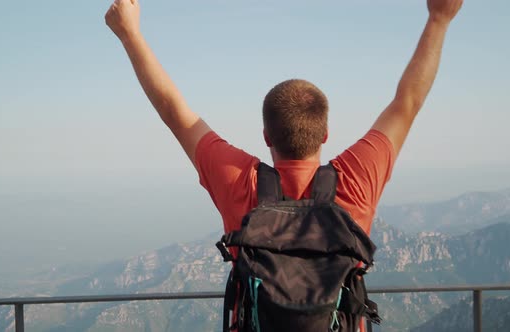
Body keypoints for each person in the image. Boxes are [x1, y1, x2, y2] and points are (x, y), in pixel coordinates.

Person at [105, 0, 463, 330]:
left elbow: (174, 113)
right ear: (325, 134)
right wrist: (439, 19)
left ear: (266, 136)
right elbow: (408, 102)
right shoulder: (355, 181)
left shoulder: (240, 183)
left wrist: (130, 34)